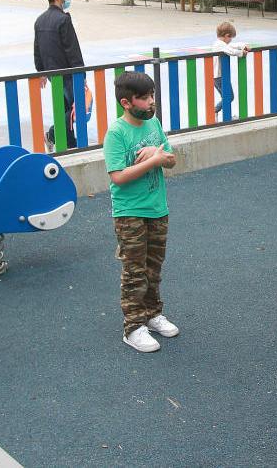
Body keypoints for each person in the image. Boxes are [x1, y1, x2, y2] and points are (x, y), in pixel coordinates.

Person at [103, 71, 179, 353]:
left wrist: (160, 157)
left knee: (153, 267)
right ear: (126, 102)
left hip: (157, 208)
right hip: (129, 212)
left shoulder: (154, 124)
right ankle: (133, 326)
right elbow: (118, 177)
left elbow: (170, 160)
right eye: (144, 98)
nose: (151, 102)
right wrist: (153, 159)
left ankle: (152, 313)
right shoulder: (117, 133)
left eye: (152, 96)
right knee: (135, 271)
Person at [34, 0, 84, 150]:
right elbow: (72, 50)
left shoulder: (40, 20)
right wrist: (81, 74)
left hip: (52, 74)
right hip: (68, 74)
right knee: (73, 110)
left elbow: (37, 48)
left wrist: (40, 71)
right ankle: (58, 137)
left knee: (63, 109)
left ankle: (63, 139)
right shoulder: (63, 20)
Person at [211, 21, 249, 114]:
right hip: (219, 77)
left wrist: (242, 46)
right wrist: (241, 53)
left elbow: (231, 46)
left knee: (226, 97)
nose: (231, 40)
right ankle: (213, 111)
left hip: (217, 77)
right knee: (229, 97)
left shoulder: (220, 43)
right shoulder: (219, 45)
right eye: (231, 38)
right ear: (227, 36)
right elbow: (230, 50)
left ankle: (224, 116)